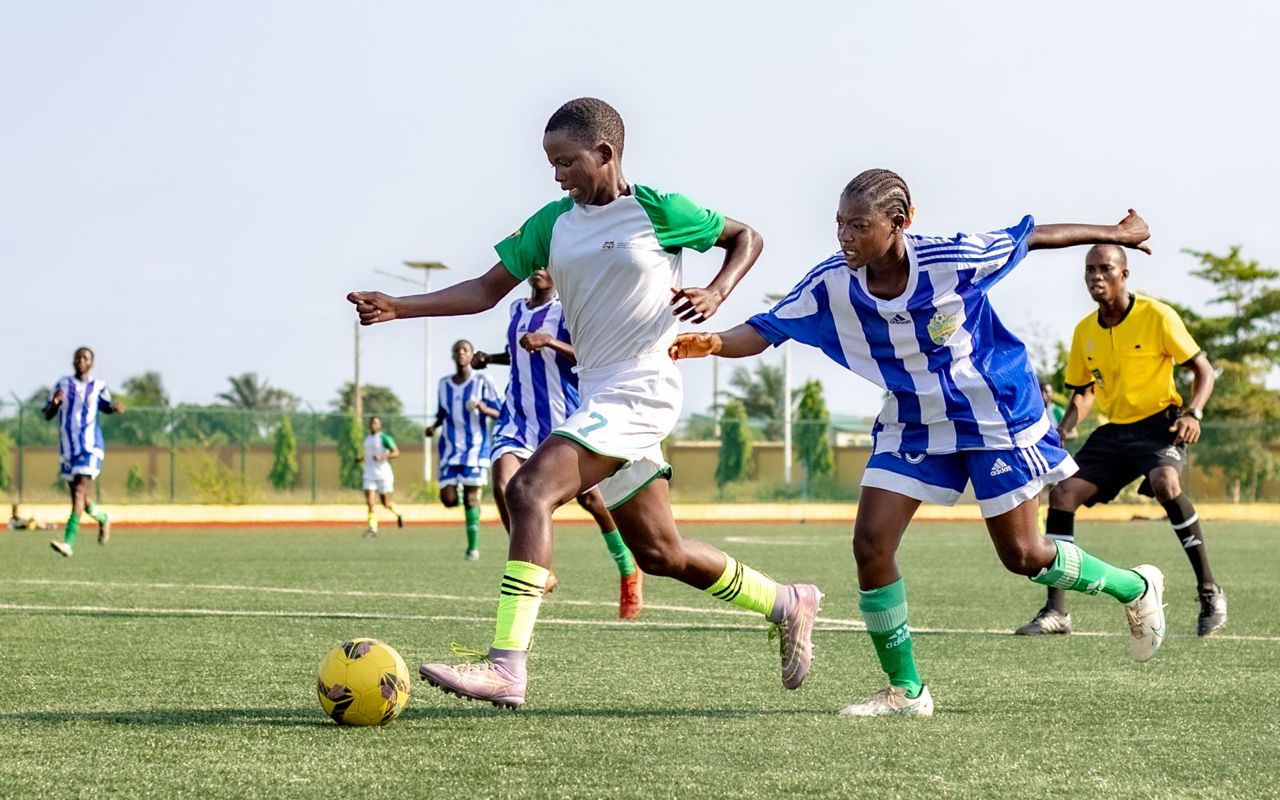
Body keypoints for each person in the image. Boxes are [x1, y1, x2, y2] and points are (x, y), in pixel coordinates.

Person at [349, 97, 821, 709]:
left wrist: (716, 290)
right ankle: (787, 601)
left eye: (566, 160)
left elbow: (745, 237)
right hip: (599, 390)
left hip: (643, 386)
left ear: (606, 153)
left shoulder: (658, 209)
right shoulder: (552, 222)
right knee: (660, 552)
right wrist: (401, 306)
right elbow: (487, 290)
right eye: (550, 161)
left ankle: (507, 668)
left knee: (527, 490)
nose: (557, 173)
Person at [671, 169, 1167, 717]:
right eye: (839, 223)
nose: (845, 236)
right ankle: (908, 690)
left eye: (859, 225)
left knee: (1024, 556)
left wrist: (1119, 234)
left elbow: (1031, 236)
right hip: (914, 418)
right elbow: (768, 328)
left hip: (993, 411)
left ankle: (1134, 587)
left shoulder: (950, 259)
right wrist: (713, 342)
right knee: (870, 544)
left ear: (899, 223)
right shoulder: (832, 282)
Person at [1016, 244, 1224, 637]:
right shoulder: (1084, 331)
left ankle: (1209, 589)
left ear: (1124, 274)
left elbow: (1204, 370)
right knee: (1063, 494)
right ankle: (1056, 611)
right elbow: (1082, 392)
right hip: (1114, 433)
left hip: (1158, 426)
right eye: (1089, 269)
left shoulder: (1156, 316)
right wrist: (1066, 427)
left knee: (1166, 483)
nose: (1096, 276)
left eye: (1105, 268)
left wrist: (1193, 412)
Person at [473, 268, 644, 618]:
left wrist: (549, 341)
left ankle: (628, 568)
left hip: (561, 416)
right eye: (534, 263)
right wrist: (489, 359)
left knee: (593, 500)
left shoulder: (567, 311)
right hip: (518, 416)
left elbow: (588, 357)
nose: (538, 269)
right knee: (506, 485)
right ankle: (537, 571)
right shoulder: (516, 309)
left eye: (546, 264)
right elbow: (520, 353)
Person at [424, 339, 501, 560]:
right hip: (449, 447)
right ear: (452, 355)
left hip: (475, 448)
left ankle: (472, 548)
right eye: (456, 350)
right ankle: (464, 502)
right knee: (448, 500)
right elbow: (442, 413)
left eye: (464, 350)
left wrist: (483, 408)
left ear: (471, 355)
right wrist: (433, 426)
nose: (460, 354)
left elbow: (500, 412)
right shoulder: (444, 384)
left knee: (471, 499)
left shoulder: (482, 381)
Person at [44, 347, 124, 557]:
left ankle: (68, 542)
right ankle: (103, 518)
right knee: (80, 496)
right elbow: (47, 414)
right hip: (68, 448)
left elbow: (105, 406)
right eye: (78, 357)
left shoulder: (98, 386)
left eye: (85, 358)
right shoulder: (62, 384)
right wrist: (55, 403)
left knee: (79, 493)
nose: (81, 360)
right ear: (73, 361)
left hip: (90, 446)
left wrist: (114, 408)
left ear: (91, 363)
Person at [359, 416, 403, 538]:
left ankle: (399, 513)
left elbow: (396, 452)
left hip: (383, 474)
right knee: (370, 502)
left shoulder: (384, 438)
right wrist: (360, 459)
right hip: (369, 473)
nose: (374, 425)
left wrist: (383, 457)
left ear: (379, 425)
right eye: (372, 423)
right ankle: (373, 528)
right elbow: (368, 455)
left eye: (376, 423)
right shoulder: (367, 439)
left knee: (386, 503)